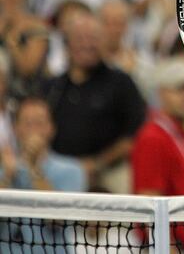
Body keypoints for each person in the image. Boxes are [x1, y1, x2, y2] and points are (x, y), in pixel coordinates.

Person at [44, 11, 146, 192]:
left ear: (103, 42)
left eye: (92, 38)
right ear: (67, 44)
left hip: (109, 172)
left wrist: (97, 163)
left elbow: (134, 135)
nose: (86, 44)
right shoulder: (53, 87)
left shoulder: (121, 82)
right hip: (59, 172)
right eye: (79, 38)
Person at [131, 56, 184, 249]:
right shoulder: (153, 138)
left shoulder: (181, 135)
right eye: (179, 89)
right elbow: (149, 202)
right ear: (162, 93)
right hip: (168, 248)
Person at [0, 96, 86, 191]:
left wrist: (35, 168)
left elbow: (58, 205)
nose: (33, 129)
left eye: (39, 122)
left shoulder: (72, 169)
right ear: (15, 129)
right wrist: (7, 176)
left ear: (51, 128)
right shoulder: (6, 166)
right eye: (27, 123)